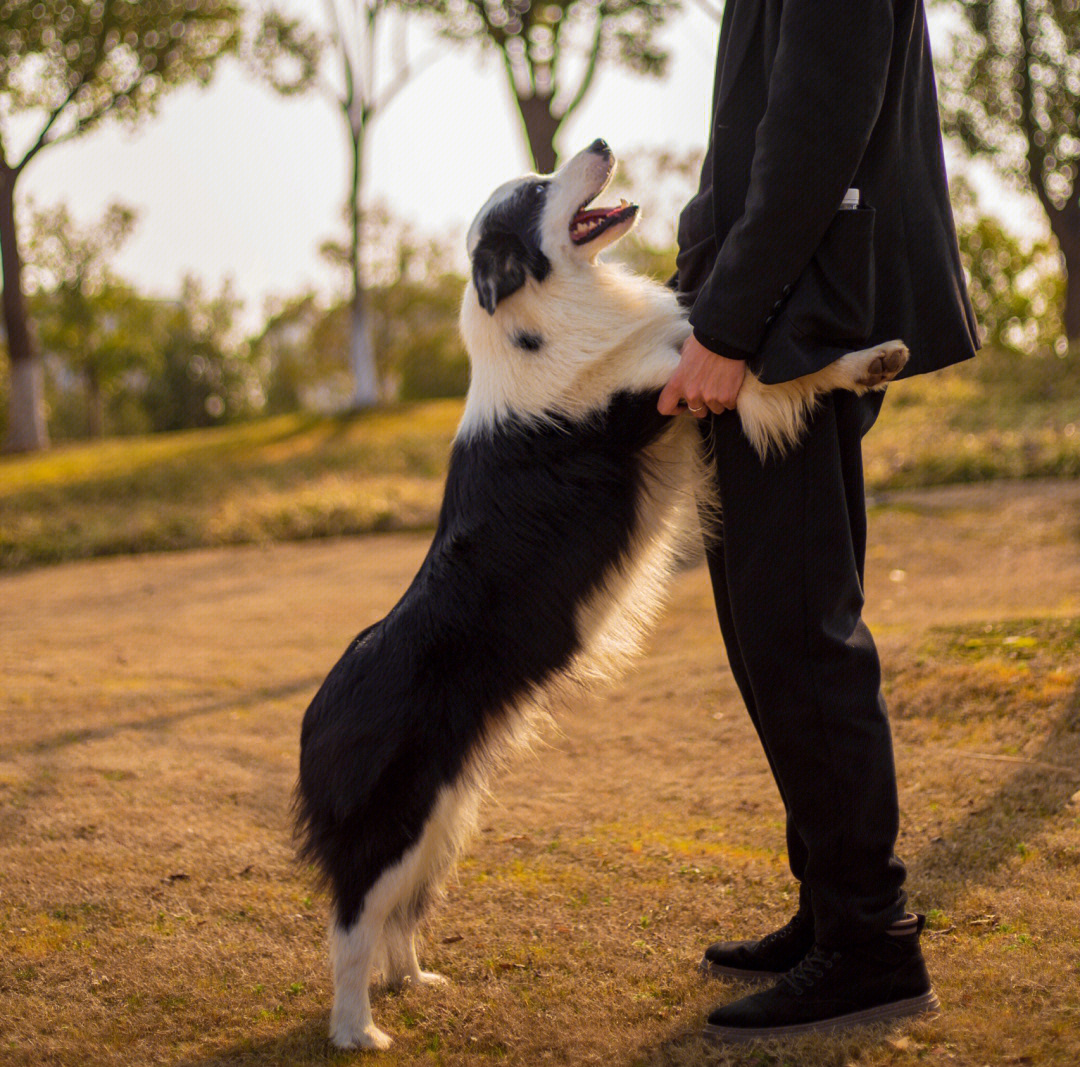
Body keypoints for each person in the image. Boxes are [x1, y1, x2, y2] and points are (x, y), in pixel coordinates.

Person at [658, 0, 979, 1042]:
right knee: (770, 632)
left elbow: (818, 116)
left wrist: (729, 320)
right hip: (773, 306)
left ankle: (871, 938)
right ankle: (832, 905)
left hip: (798, 315)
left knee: (800, 630)